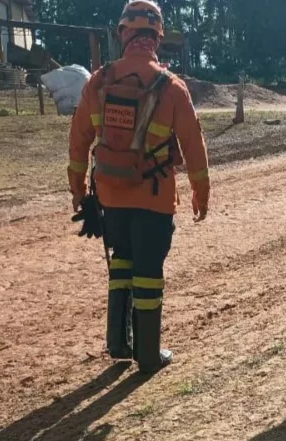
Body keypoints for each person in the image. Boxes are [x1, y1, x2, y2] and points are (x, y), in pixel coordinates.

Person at [67, 0, 210, 374]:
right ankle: (148, 354)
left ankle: (118, 344)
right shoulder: (171, 87)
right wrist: (201, 191)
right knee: (148, 271)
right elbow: (193, 146)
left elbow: (78, 141)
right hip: (154, 196)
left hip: (110, 194)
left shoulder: (97, 82)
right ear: (156, 38)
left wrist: (78, 189)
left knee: (122, 264)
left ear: (124, 35)